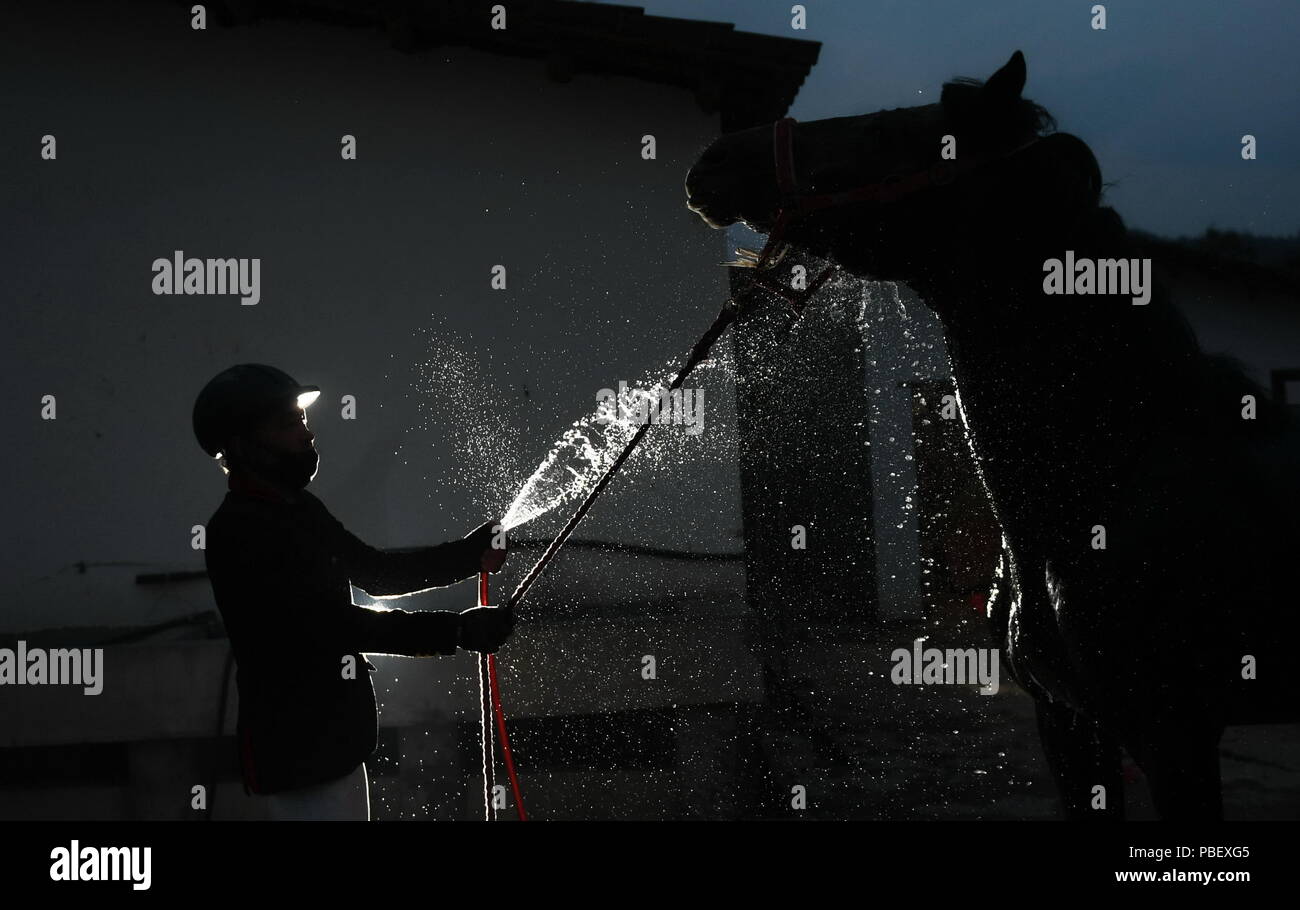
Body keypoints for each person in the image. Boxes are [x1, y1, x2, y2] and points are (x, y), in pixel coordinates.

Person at [192, 363, 512, 820]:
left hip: (335, 745)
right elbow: (333, 626)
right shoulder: (241, 531)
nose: (306, 435)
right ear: (243, 446)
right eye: (288, 424)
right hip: (298, 754)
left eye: (303, 420)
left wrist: (467, 556)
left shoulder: (298, 507)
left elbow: (374, 572)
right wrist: (457, 630)